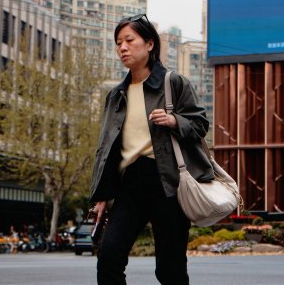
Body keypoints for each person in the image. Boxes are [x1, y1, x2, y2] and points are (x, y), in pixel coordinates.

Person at [90, 14, 211, 285]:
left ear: (149, 44)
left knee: (170, 270)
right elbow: (107, 149)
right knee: (108, 259)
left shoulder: (173, 82)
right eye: (118, 42)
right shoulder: (116, 95)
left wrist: (174, 121)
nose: (122, 47)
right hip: (128, 185)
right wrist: (102, 196)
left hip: (168, 182)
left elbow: (201, 124)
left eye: (129, 40)